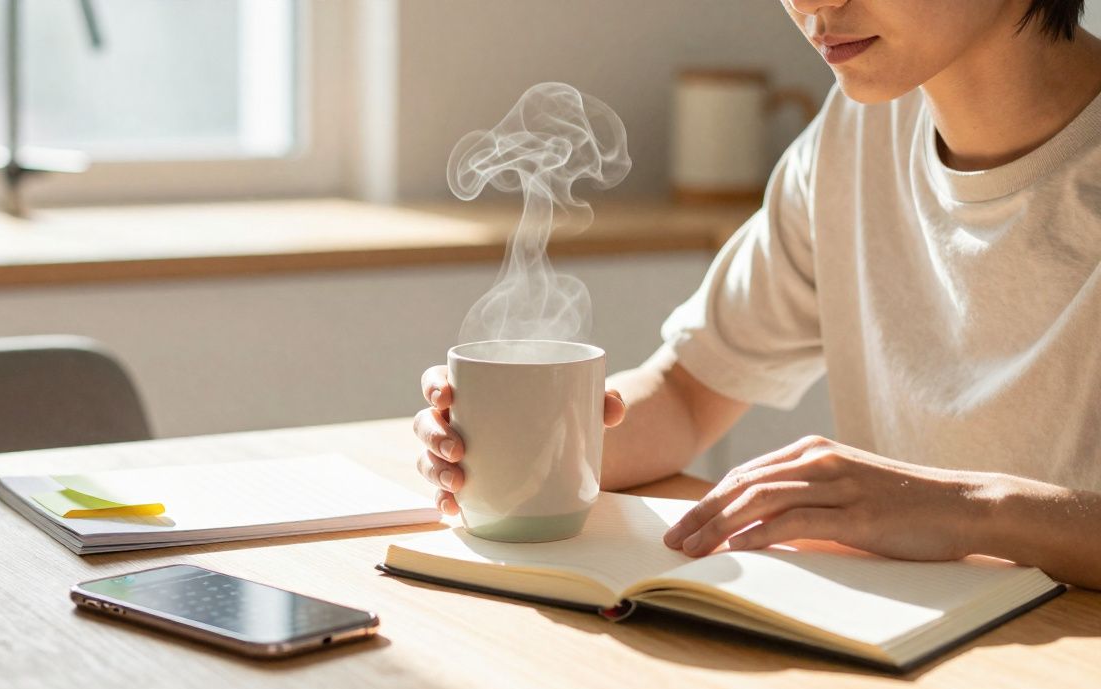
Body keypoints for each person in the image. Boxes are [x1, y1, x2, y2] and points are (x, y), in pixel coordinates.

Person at [414, 0, 1101, 588]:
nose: (811, 2)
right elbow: (687, 393)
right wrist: (522, 443)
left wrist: (972, 509)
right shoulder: (855, 135)